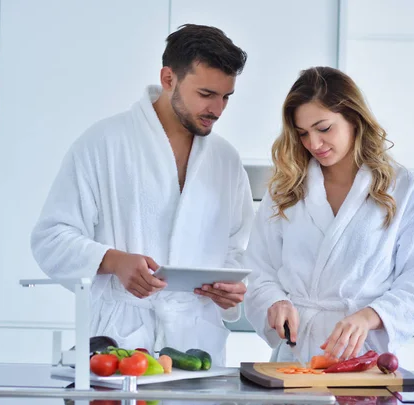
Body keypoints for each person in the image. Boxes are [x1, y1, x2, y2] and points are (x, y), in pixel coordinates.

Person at [31, 24, 254, 366]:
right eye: (206, 93)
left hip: (198, 348)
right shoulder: (105, 143)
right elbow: (50, 239)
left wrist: (231, 289)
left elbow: (235, 249)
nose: (218, 109)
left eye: (226, 97)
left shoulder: (226, 160)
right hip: (120, 344)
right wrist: (114, 261)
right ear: (169, 79)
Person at [244, 66, 414, 363]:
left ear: (353, 118)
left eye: (324, 129)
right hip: (296, 357)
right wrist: (275, 301)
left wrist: (370, 316)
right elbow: (259, 269)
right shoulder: (285, 189)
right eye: (303, 134)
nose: (313, 144)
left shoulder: (405, 190)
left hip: (363, 356)